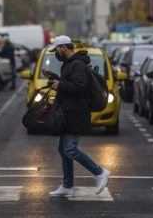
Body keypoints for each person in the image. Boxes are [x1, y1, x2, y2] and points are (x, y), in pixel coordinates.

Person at [47, 35, 110, 197]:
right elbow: (72, 85)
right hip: (69, 112)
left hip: (76, 113)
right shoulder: (70, 64)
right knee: (63, 149)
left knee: (70, 149)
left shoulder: (77, 65)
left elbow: (80, 87)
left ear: (64, 48)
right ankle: (67, 185)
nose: (57, 54)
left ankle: (100, 172)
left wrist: (60, 84)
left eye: (57, 50)